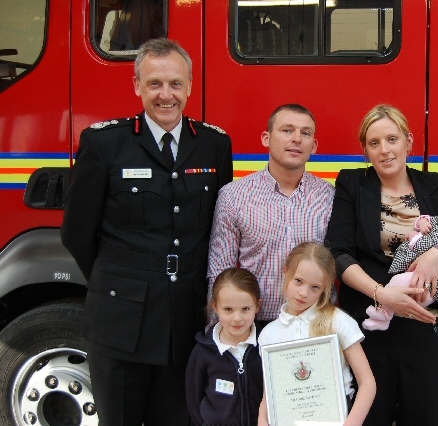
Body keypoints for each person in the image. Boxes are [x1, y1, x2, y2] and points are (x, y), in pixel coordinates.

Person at [61, 38, 233, 425]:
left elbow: (216, 229)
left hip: (184, 322)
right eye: (155, 83)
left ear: (190, 87)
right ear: (136, 85)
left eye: (175, 84)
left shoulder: (214, 145)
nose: (166, 95)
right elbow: (76, 232)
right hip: (120, 320)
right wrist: (118, 280)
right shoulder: (104, 143)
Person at [325, 104, 438, 425]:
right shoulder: (351, 184)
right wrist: (382, 294)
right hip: (369, 332)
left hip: (427, 333)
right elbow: (338, 253)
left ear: (409, 142)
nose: (385, 150)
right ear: (365, 151)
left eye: (392, 139)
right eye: (374, 143)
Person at [207, 104, 335, 326]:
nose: (296, 139)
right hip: (252, 325)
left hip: (313, 325)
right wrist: (219, 332)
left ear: (313, 146)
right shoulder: (233, 196)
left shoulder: (330, 197)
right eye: (287, 130)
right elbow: (219, 273)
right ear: (266, 138)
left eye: (305, 133)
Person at [257, 242, 376, 426]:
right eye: (298, 281)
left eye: (315, 287)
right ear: (285, 271)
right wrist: (262, 421)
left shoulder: (338, 321)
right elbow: (271, 393)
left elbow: (367, 382)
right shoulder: (269, 334)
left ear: (325, 288)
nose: (303, 293)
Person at [185, 268, 263, 426]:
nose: (237, 318)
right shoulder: (203, 353)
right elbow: (194, 399)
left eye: (245, 309)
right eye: (228, 309)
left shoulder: (267, 346)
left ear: (258, 306)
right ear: (215, 307)